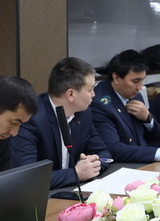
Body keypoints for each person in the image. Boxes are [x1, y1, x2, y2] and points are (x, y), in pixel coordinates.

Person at [12, 57, 111, 189]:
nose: (94, 94)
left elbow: (103, 152)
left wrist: (92, 164)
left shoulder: (83, 113)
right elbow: (27, 177)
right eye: (90, 90)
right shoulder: (31, 119)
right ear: (70, 94)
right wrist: (76, 174)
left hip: (72, 189)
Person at [91, 50, 160, 163]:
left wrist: (148, 119)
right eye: (135, 81)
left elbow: (155, 136)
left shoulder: (135, 95)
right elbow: (114, 149)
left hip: (143, 159)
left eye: (142, 80)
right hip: (121, 165)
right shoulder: (99, 103)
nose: (140, 87)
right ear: (116, 78)